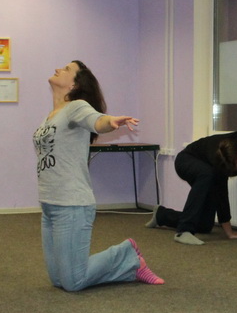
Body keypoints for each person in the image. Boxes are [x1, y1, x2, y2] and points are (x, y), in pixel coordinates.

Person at [34, 60, 163, 291]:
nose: (57, 69)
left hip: (72, 204)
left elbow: (96, 120)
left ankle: (128, 254)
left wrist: (110, 121)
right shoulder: (50, 117)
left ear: (75, 85)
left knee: (73, 282)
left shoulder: (75, 107)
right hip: (49, 204)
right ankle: (126, 266)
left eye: (66, 69)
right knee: (58, 280)